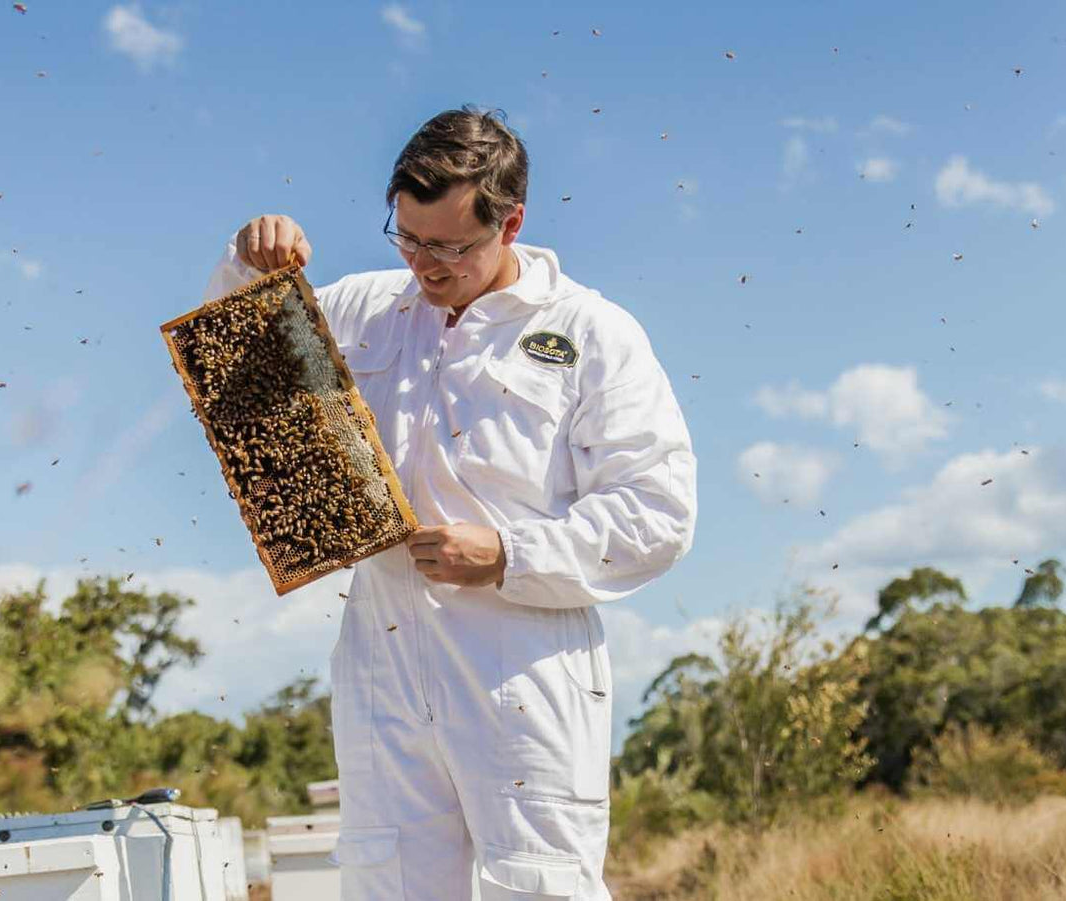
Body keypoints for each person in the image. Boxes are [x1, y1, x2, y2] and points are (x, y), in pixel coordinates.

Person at [202, 107, 696, 900]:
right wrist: (248, 262)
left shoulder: (591, 332)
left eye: (449, 246)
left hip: (525, 662)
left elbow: (658, 513)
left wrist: (508, 554)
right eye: (408, 237)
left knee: (539, 888)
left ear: (512, 222)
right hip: (383, 650)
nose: (424, 264)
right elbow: (238, 365)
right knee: (386, 883)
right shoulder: (368, 305)